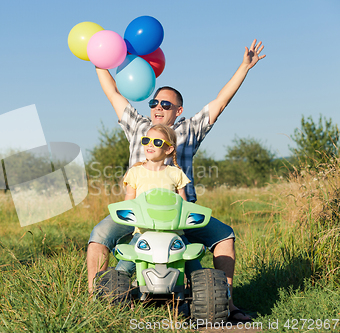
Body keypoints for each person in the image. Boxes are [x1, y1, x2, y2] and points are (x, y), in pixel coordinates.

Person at [87, 39, 266, 322]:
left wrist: (244, 67)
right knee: (98, 237)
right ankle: (97, 303)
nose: (158, 107)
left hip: (181, 214)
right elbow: (113, 93)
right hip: (136, 212)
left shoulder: (188, 131)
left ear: (178, 110)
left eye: (166, 104)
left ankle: (227, 304)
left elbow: (220, 102)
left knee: (225, 236)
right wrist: (99, 59)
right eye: (154, 102)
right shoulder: (137, 126)